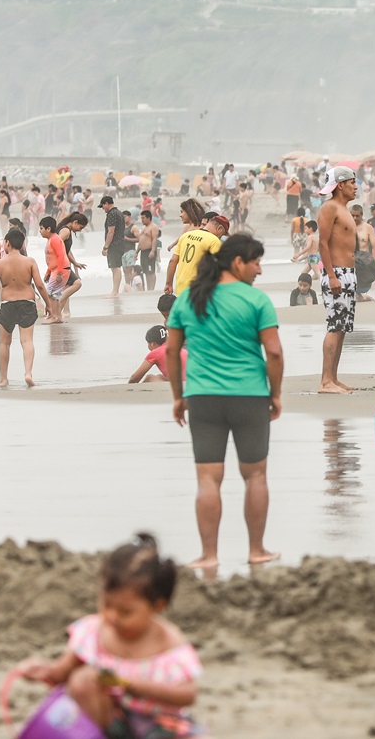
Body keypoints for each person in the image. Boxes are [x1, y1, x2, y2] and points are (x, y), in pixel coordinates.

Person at [165, 235, 283, 569]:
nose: (259, 270)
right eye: (256, 262)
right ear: (237, 263)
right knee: (256, 476)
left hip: (202, 396)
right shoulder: (256, 300)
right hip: (250, 395)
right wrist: (274, 394)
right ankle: (256, 550)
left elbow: (173, 351)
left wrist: (178, 395)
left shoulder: (188, 297)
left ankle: (209, 556)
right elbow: (273, 352)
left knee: (207, 479)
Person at [15, 533, 205, 737]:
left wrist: (134, 685)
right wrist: (42, 671)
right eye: (106, 604)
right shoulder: (95, 631)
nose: (111, 616)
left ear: (157, 606)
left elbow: (188, 695)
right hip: (111, 720)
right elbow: (63, 671)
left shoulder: (168, 642)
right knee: (82, 679)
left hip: (160, 723)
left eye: (125, 612)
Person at [0, 228, 55, 387]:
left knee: (4, 343)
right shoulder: (30, 261)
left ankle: (3, 378)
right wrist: (48, 305)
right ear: (22, 244)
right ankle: (28, 373)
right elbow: (40, 285)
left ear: (7, 243)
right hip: (27, 303)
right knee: (27, 340)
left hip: (7, 305)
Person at [316, 166, 358, 395]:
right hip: (337, 273)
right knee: (334, 326)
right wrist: (331, 275)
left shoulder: (344, 209)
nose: (356, 186)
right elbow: (323, 242)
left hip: (348, 274)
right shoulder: (329, 207)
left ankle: (333, 377)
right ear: (340, 184)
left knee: (342, 328)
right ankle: (325, 381)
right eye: (352, 182)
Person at [163, 211, 226, 298]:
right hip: (199, 290)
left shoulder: (185, 236)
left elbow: (172, 261)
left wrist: (168, 284)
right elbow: (217, 269)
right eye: (222, 234)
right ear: (219, 228)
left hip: (181, 288)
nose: (220, 237)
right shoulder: (214, 241)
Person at [100, 195, 133, 296]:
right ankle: (115, 291)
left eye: (102, 206)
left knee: (115, 267)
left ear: (106, 203)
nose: (102, 209)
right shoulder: (118, 212)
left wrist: (106, 246)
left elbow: (111, 232)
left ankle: (115, 291)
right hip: (119, 244)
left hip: (114, 244)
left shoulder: (112, 214)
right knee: (115, 267)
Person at [136, 210, 161, 293]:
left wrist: (153, 251)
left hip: (149, 251)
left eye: (143, 218)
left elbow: (154, 239)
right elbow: (141, 241)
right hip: (143, 252)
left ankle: (151, 289)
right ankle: (148, 289)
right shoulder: (144, 228)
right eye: (141, 218)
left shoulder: (153, 227)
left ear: (148, 218)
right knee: (146, 271)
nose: (142, 220)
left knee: (151, 271)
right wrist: (137, 252)